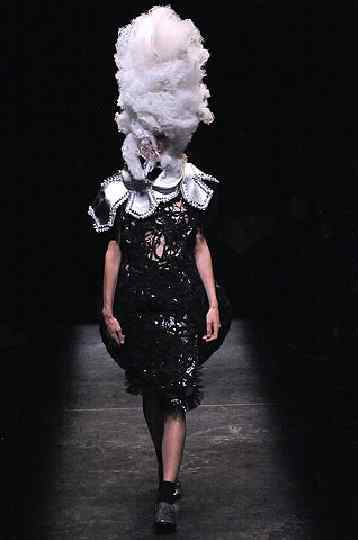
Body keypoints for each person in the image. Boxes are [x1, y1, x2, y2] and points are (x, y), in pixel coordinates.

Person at [87, 6, 231, 532]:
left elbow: (199, 245)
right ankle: (165, 475)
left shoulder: (192, 185)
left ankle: (168, 490)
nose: (154, 142)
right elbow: (113, 250)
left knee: (176, 395)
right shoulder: (119, 191)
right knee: (153, 395)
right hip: (136, 307)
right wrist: (107, 309)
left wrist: (212, 302)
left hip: (181, 306)